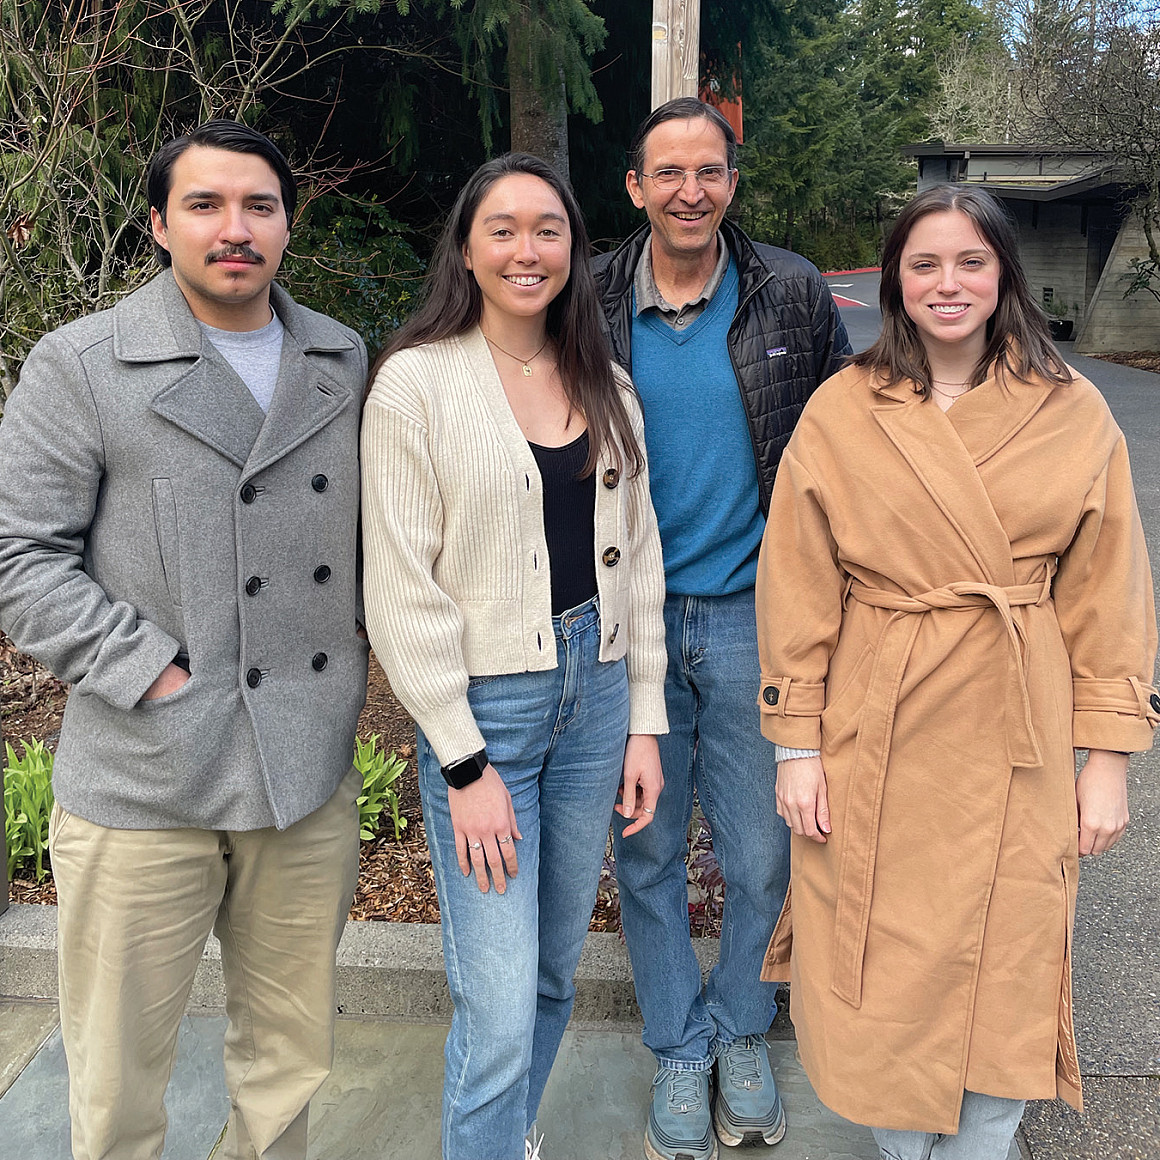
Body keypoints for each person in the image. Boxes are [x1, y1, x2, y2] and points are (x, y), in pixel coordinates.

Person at [756, 183, 1158, 1160]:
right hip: (874, 728)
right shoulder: (843, 407)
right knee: (878, 966)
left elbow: (1108, 595)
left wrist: (1106, 756)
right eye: (924, 262)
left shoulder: (1070, 410)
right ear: (893, 277)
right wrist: (795, 745)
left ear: (1001, 275)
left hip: (1014, 730)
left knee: (1009, 964)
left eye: (969, 261)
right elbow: (798, 587)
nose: (947, 282)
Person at [0, 121, 369, 1159]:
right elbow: (18, 550)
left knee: (288, 1063)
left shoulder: (340, 355)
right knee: (117, 1077)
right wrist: (143, 669)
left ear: (289, 223)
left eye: (259, 205)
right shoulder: (81, 363)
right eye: (205, 205)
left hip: (301, 767)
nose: (235, 228)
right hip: (143, 775)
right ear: (160, 224)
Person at [360, 152, 668, 1160]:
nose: (526, 248)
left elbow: (641, 560)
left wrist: (644, 720)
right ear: (465, 245)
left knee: (547, 975)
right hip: (488, 709)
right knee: (494, 1000)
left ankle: (505, 1137)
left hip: (597, 701)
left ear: (575, 249)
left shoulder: (603, 378)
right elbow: (400, 587)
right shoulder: (416, 382)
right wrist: (460, 758)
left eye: (547, 228)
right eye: (502, 228)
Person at [591, 97, 851, 1158]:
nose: (689, 189)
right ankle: (677, 1043)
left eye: (709, 170)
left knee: (759, 857)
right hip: (627, 627)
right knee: (645, 853)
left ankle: (742, 1026)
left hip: (757, 618)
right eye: (668, 171)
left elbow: (849, 437)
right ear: (635, 187)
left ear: (730, 182)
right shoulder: (588, 296)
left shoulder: (787, 290)